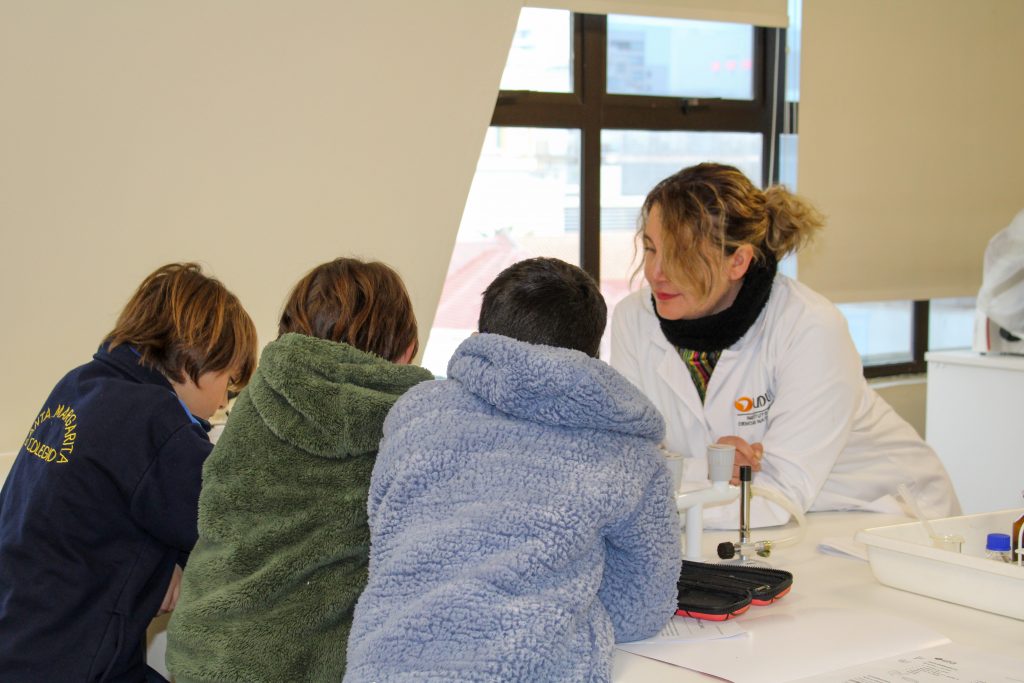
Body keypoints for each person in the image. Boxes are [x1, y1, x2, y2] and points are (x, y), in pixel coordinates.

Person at [345, 258, 681, 683]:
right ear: (593, 352)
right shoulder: (627, 450)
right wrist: (572, 598)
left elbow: (386, 536)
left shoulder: (417, 412)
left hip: (385, 666)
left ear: (482, 335)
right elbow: (641, 607)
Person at [611, 162, 960, 529]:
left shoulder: (809, 325)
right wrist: (710, 469)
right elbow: (627, 457)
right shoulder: (634, 318)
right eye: (650, 249)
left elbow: (778, 495)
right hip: (763, 521)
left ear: (738, 261)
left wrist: (646, 497)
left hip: (887, 518)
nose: (656, 273)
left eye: (680, 256)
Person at [166, 258, 434, 682]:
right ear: (405, 349)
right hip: (299, 670)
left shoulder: (257, 403)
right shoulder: (411, 432)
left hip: (203, 653)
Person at [0, 262, 258, 682]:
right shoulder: (154, 421)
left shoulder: (79, 387)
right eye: (228, 382)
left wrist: (161, 566)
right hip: (72, 666)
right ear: (196, 358)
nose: (222, 404)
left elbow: (107, 508)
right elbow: (238, 525)